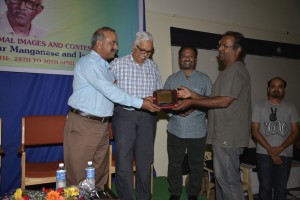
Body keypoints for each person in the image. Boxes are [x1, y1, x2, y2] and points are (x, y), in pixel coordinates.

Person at [64, 27, 160, 190]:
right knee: (78, 177)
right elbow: (110, 91)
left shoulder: (106, 67)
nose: (116, 47)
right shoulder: (89, 63)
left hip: (102, 125)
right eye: (112, 43)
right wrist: (140, 102)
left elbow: (113, 92)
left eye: (116, 43)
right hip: (84, 123)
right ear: (99, 43)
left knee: (100, 175)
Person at [174, 31, 251, 200]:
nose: (220, 48)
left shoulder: (235, 70)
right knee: (222, 182)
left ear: (237, 50)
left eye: (225, 45)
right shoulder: (227, 71)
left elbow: (224, 101)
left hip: (228, 137)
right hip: (222, 137)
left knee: (229, 183)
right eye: (220, 45)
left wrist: (192, 103)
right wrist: (193, 95)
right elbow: (214, 99)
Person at [110, 31, 162, 200]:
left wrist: (159, 101)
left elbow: (158, 90)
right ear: (134, 47)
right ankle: (125, 197)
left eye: (149, 52)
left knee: (145, 160)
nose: (146, 55)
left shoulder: (153, 66)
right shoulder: (118, 64)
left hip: (148, 117)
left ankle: (144, 197)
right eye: (142, 50)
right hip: (125, 115)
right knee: (124, 160)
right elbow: (108, 90)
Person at [164, 46, 212, 200]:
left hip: (197, 130)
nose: (187, 58)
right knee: (174, 164)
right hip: (175, 129)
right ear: (179, 59)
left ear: (195, 59)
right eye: (184, 56)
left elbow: (210, 103)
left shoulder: (205, 79)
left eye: (190, 56)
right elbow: (164, 104)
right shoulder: (172, 79)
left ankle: (193, 193)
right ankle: (175, 192)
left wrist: (193, 108)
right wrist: (176, 111)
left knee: (196, 165)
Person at [252, 77, 299, 200]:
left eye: (280, 86)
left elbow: (295, 132)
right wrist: (272, 151)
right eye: (273, 86)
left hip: (285, 153)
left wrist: (280, 148)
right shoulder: (259, 106)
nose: (276, 89)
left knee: (281, 189)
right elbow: (254, 132)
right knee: (265, 188)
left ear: (284, 90)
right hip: (264, 154)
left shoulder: (291, 107)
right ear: (268, 88)